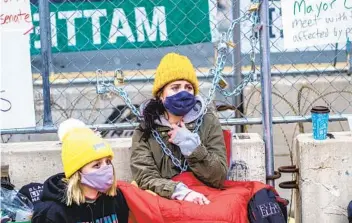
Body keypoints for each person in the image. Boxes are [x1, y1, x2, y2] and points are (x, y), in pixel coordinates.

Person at [130, 52, 228, 205]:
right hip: (167, 201)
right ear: (161, 94)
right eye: (175, 88)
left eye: (188, 88)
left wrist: (193, 147)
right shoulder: (145, 129)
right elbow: (145, 177)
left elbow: (219, 176)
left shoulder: (208, 121)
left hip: (206, 199)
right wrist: (179, 192)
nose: (183, 93)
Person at [32, 119, 129, 223]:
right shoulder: (52, 213)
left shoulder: (115, 198)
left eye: (108, 162)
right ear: (77, 172)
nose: (106, 169)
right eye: (97, 165)